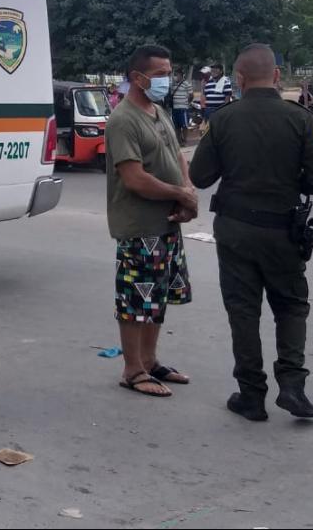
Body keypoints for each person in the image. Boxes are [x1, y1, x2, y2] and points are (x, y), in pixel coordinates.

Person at [189, 44, 313, 422]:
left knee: (243, 311)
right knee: (290, 306)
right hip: (283, 231)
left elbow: (200, 176)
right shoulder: (300, 119)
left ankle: (251, 395)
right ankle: (292, 384)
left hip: (235, 231)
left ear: (238, 80)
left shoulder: (222, 119)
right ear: (276, 76)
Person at [106, 45, 197, 399]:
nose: (166, 80)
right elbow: (134, 178)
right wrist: (180, 193)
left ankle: (150, 360)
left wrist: (185, 191)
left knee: (157, 298)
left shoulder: (157, 112)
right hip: (139, 227)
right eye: (160, 74)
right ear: (137, 77)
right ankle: (132, 369)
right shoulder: (123, 119)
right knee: (136, 302)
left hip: (166, 224)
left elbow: (176, 155)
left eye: (168, 72)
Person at [170, 69, 194, 143]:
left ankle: (185, 140)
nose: (175, 77)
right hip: (174, 108)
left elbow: (191, 95)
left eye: (177, 75)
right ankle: (179, 141)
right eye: (174, 75)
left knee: (184, 125)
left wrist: (187, 102)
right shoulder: (172, 85)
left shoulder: (186, 84)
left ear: (181, 75)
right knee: (176, 126)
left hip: (183, 108)